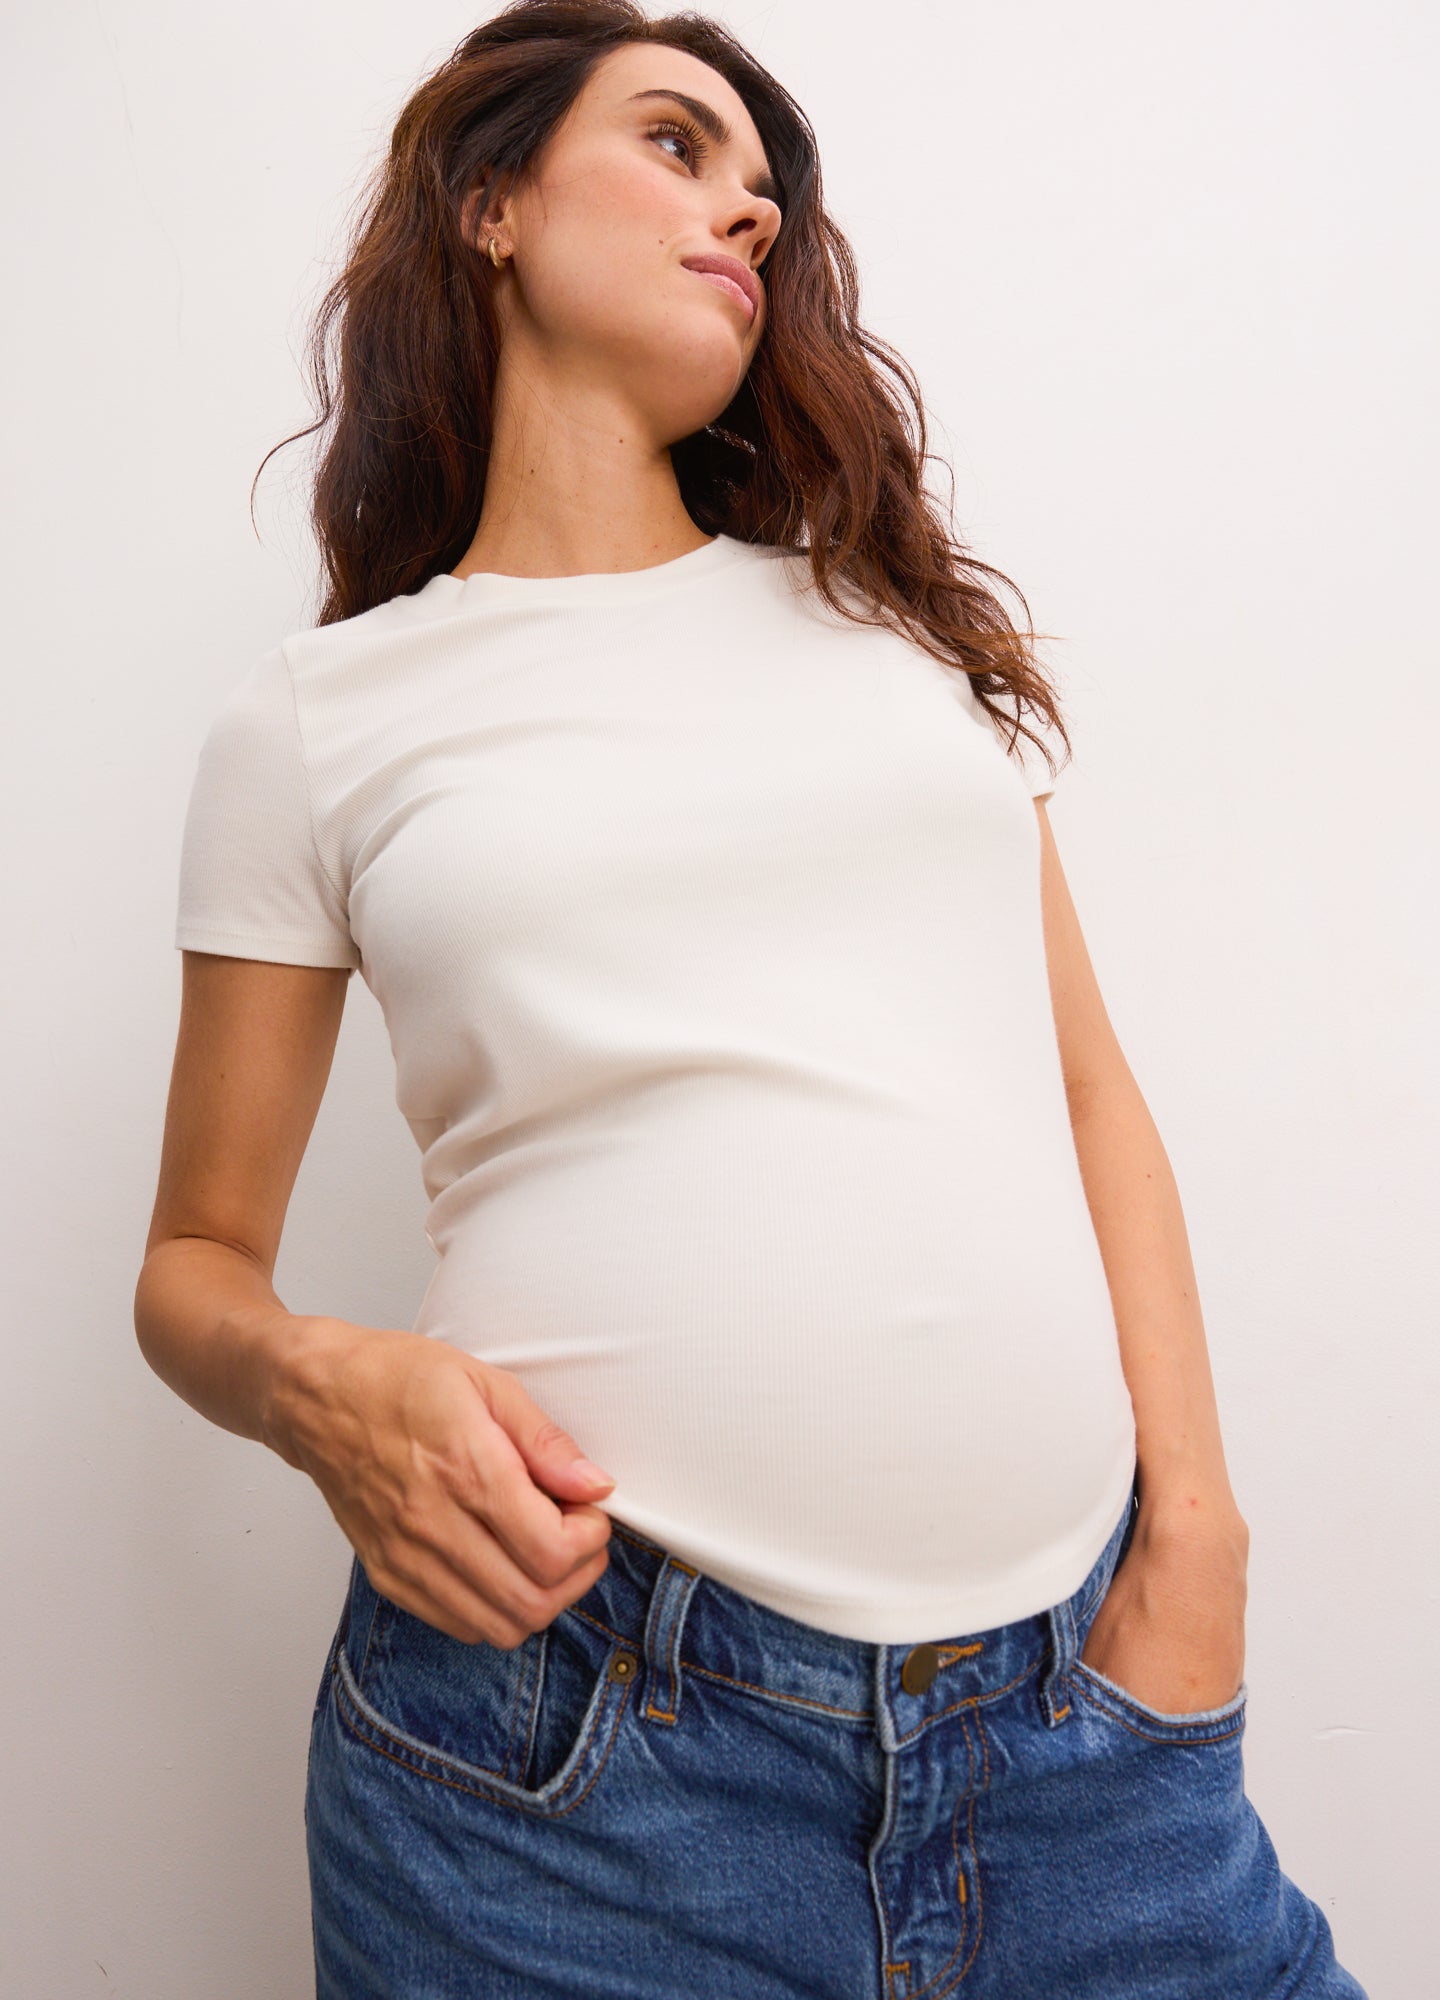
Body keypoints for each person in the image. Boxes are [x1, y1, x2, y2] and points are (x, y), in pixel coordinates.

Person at [134, 4, 1370, 1995]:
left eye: (766, 189)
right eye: (678, 143)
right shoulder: (320, 723)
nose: (749, 205)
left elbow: (1086, 1090)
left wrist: (1198, 1541)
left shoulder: (884, 634)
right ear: (492, 203)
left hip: (1080, 1739)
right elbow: (194, 1261)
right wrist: (315, 1384)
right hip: (568, 1767)